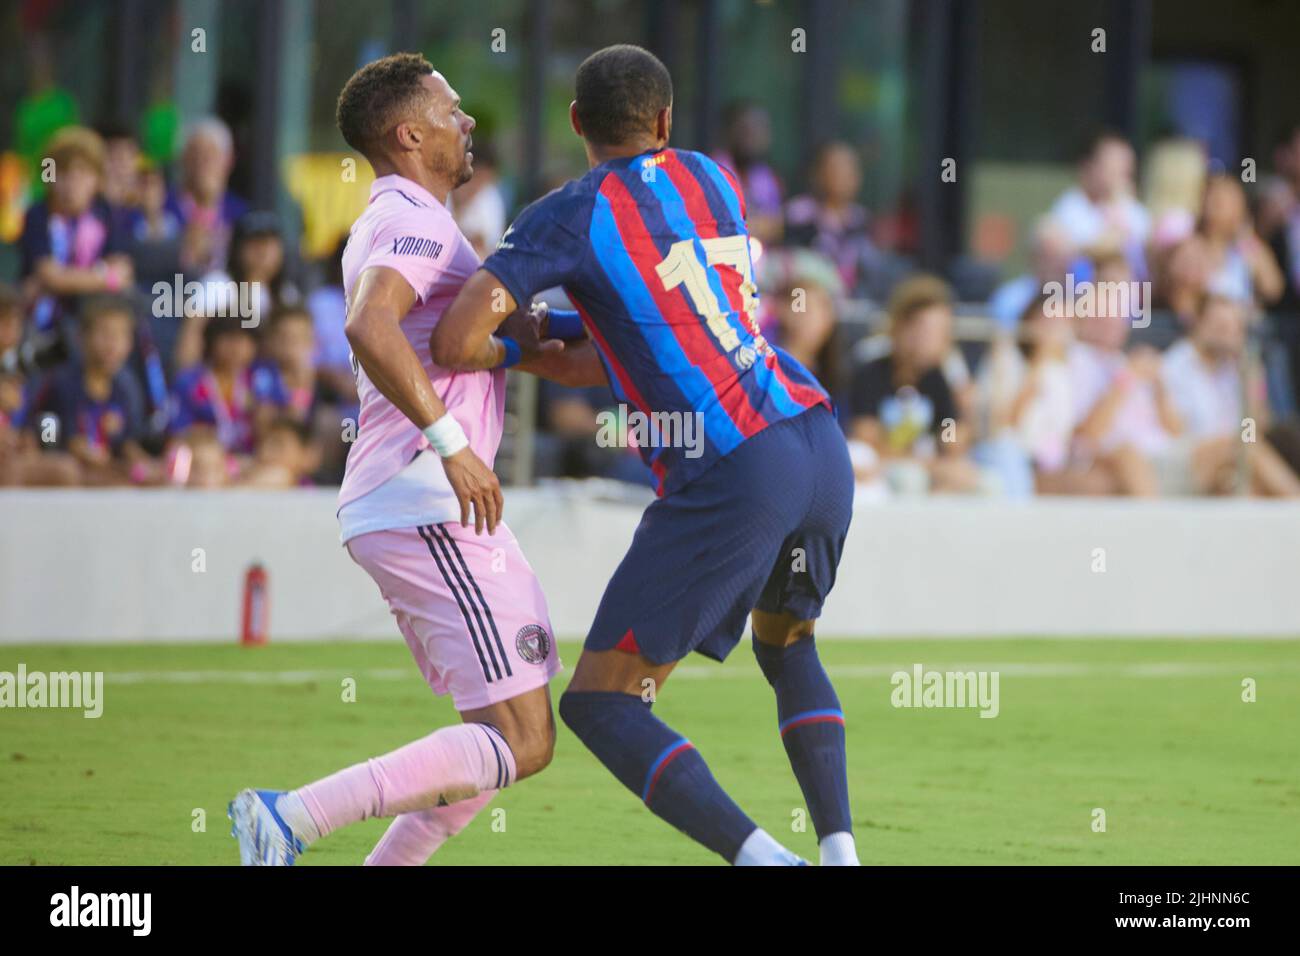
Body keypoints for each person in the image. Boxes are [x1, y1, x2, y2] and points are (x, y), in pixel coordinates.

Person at [435, 44, 858, 866]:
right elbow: (639, 338)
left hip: (738, 463)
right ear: (664, 122)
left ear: (574, 124)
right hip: (815, 438)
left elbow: (457, 339)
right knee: (789, 645)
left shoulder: (570, 211)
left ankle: (769, 863)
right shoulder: (713, 178)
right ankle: (841, 852)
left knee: (601, 704)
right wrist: (547, 340)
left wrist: (512, 343)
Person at [228, 53, 561, 866]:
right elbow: (371, 326)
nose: (468, 121)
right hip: (426, 499)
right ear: (411, 134)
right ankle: (292, 817)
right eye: (452, 110)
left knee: (496, 735)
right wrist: (452, 445)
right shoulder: (409, 218)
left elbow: (445, 339)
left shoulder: (410, 217)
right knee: (524, 739)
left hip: (415, 505)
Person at [848, 275, 982, 493]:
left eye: (943, 331)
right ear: (902, 327)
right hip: (881, 473)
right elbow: (868, 441)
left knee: (976, 481)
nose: (937, 340)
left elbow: (951, 445)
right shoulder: (871, 373)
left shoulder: (937, 378)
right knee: (911, 478)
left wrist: (964, 409)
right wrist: (924, 464)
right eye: (929, 330)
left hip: (923, 468)